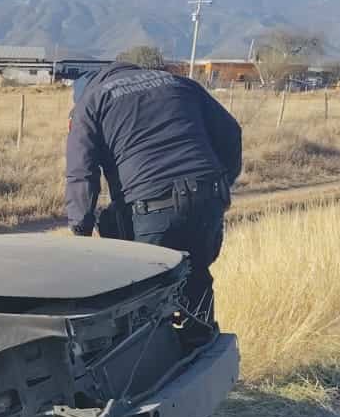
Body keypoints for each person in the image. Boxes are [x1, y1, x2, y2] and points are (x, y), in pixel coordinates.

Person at [65, 63, 242, 322]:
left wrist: (81, 230)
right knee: (197, 279)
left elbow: (81, 173)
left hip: (151, 209)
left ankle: (156, 355)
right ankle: (202, 345)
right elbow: (232, 132)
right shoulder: (180, 83)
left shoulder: (91, 101)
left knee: (144, 298)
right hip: (207, 198)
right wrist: (224, 182)